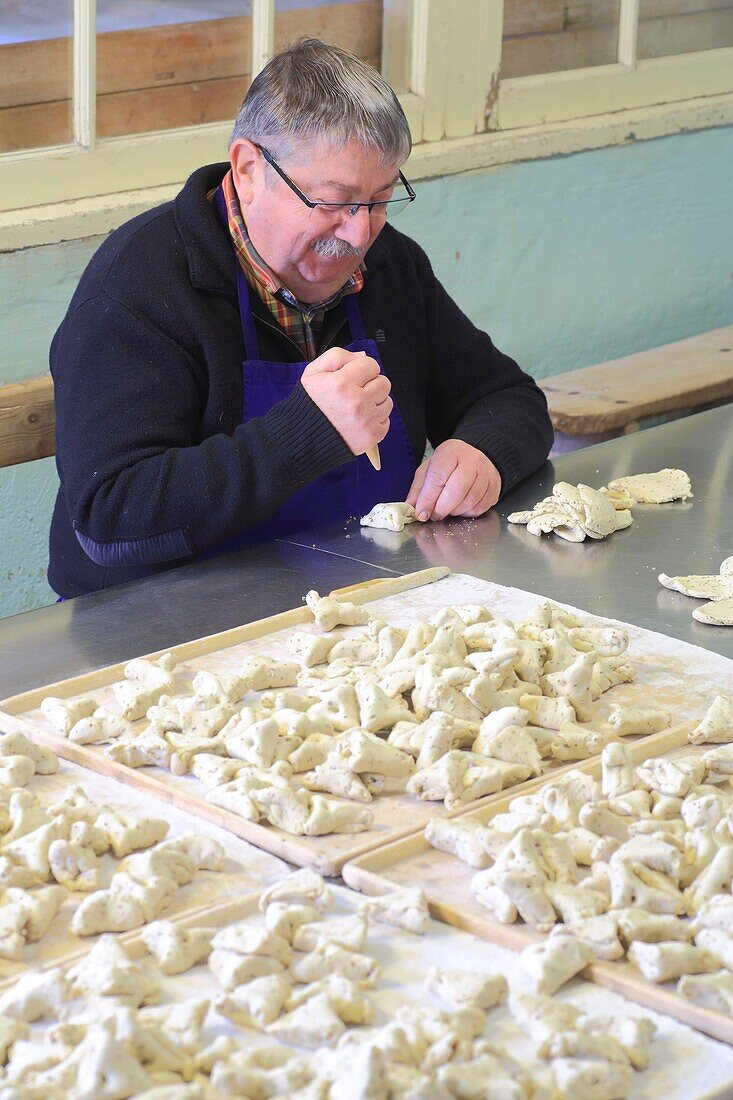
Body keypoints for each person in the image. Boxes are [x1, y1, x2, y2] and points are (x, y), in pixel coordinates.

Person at [48, 38, 553, 599]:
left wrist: (484, 452)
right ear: (247, 170)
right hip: (164, 635)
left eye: (381, 200)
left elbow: (511, 399)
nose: (359, 234)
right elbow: (110, 516)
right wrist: (305, 434)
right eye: (333, 202)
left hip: (359, 606)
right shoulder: (140, 286)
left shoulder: (391, 267)